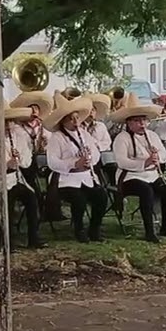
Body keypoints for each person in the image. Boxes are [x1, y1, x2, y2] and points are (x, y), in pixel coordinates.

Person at [110, 94, 166, 242]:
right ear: (129, 123)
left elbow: (165, 154)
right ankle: (149, 231)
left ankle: (165, 226)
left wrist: (158, 158)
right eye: (137, 121)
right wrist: (143, 163)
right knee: (146, 191)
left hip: (151, 175)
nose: (142, 124)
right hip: (129, 177)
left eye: (144, 120)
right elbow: (121, 162)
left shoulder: (152, 135)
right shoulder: (122, 138)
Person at [0, 105, 45, 248]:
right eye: (5, 122)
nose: (9, 125)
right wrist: (6, 164)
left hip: (17, 178)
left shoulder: (19, 137)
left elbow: (27, 162)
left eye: (10, 122)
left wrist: (19, 159)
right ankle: (8, 240)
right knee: (7, 202)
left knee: (32, 199)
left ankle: (33, 237)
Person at [45, 94, 107, 242]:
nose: (75, 122)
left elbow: (97, 154)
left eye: (77, 118)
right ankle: (79, 229)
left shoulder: (85, 134)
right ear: (63, 121)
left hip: (86, 176)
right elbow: (52, 162)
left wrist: (89, 160)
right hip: (66, 179)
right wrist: (74, 164)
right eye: (70, 119)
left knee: (102, 197)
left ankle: (94, 229)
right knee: (79, 199)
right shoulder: (57, 137)